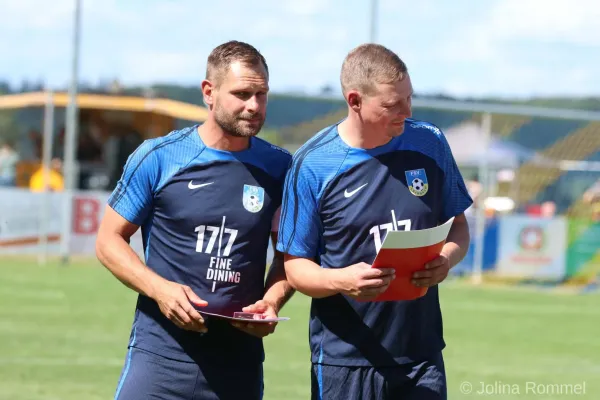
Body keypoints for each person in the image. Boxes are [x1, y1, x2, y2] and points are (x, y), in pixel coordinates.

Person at [96, 40, 294, 400]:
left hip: (239, 363)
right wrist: (160, 290)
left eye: (261, 94)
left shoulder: (281, 169)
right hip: (160, 357)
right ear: (209, 92)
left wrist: (273, 301)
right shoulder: (159, 157)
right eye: (242, 93)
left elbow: (289, 256)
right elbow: (108, 241)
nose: (254, 106)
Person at [277, 43, 472, 400]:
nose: (407, 111)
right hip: (346, 361)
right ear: (355, 101)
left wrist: (446, 259)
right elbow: (296, 268)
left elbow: (458, 226)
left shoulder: (429, 142)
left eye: (409, 98)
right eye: (392, 104)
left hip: (421, 357)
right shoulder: (313, 164)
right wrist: (341, 280)